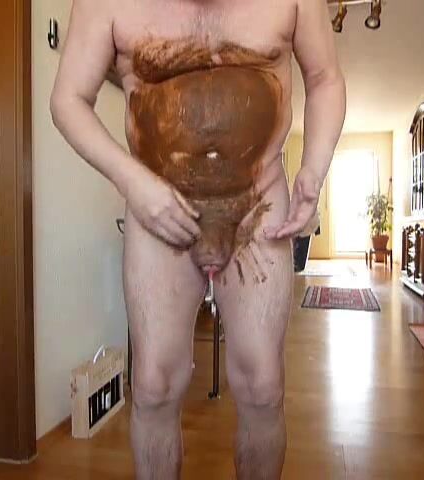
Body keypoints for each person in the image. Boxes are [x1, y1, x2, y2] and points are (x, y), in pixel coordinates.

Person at [50, 0, 345, 478]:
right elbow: (68, 98)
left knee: (262, 387)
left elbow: (325, 76)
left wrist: (315, 165)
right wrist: (131, 181)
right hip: (158, 208)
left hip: (257, 207)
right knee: (153, 387)